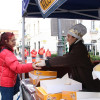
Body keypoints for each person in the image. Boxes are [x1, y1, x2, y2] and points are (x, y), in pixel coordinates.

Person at [36, 23, 100, 92]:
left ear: (74, 37)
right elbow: (67, 57)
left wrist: (47, 62)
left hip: (89, 85)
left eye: (68, 37)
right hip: (84, 83)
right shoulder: (77, 47)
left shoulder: (79, 49)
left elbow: (65, 59)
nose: (67, 39)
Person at [0, 32, 42, 100]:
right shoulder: (7, 53)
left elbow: (5, 63)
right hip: (7, 83)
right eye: (12, 40)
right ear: (6, 41)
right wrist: (32, 66)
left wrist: (15, 60)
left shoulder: (4, 50)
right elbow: (17, 68)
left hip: (4, 82)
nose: (14, 42)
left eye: (15, 40)